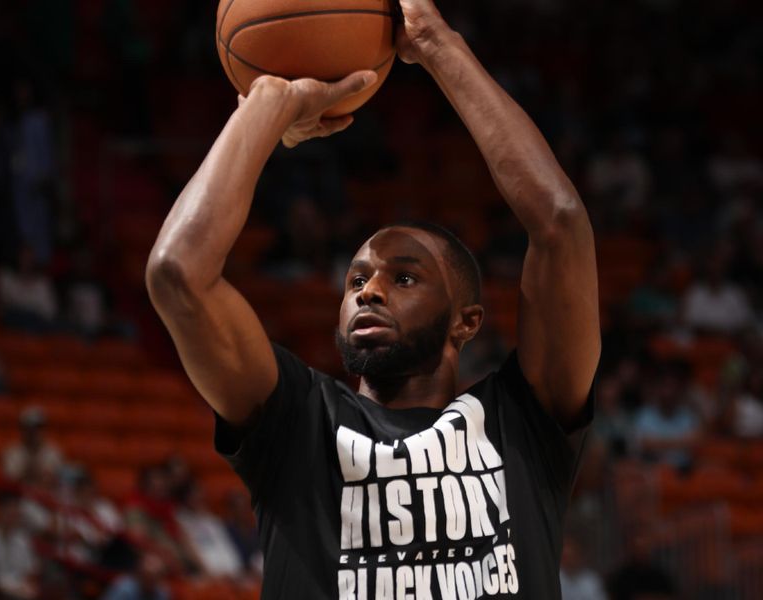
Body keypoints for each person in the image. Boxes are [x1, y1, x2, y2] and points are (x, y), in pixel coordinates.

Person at [146, 0, 600, 597]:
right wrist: (266, 104)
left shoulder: (522, 425)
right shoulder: (297, 423)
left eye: (403, 278)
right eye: (356, 280)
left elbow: (560, 224)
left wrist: (437, 45)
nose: (371, 291)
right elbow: (178, 271)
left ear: (467, 322)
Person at [2, 407, 65, 484]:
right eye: (29, 428)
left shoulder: (53, 451)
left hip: (46, 494)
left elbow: (54, 479)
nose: (33, 432)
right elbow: (11, 480)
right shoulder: (12, 452)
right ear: (22, 429)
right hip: (19, 494)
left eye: (37, 428)